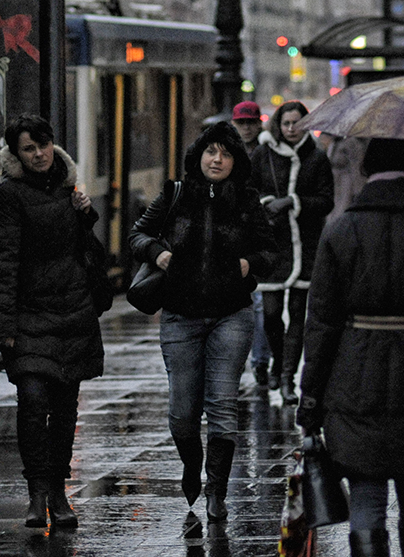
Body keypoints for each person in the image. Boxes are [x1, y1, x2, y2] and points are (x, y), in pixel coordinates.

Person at [296, 139, 404, 557]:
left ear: (369, 169)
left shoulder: (341, 230)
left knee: (366, 492)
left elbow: (321, 322)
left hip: (355, 371)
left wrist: (311, 395)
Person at [129, 121, 277, 521]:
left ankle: (216, 491)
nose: (217, 159)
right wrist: (159, 253)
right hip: (180, 316)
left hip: (232, 314)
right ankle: (192, 463)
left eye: (226, 153)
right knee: (182, 413)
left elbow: (270, 251)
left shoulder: (247, 201)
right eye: (211, 151)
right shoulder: (177, 194)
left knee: (223, 405)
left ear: (235, 161)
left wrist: (249, 264)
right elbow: (137, 236)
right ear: (199, 156)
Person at [0, 114, 105, 528]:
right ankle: (37, 491)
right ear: (15, 154)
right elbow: (2, 260)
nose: (39, 154)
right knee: (33, 402)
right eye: (28, 148)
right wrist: (3, 325)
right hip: (29, 314)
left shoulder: (71, 190)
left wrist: (85, 216)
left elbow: (89, 253)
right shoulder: (9, 195)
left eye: (43, 144)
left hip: (72, 312)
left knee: (65, 408)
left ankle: (58, 489)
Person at [251, 100, 334, 405]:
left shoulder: (317, 158)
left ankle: (288, 378)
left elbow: (326, 200)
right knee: (272, 314)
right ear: (278, 123)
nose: (290, 130)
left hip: (306, 246)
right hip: (272, 245)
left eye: (297, 124)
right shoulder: (263, 154)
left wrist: (293, 202)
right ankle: (276, 359)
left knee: (299, 314)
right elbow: (249, 192)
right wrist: (267, 202)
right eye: (286, 124)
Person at [232, 100, 271, 387]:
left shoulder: (266, 154)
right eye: (241, 122)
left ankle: (260, 361)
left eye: (250, 122)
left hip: (255, 237)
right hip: (234, 237)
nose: (246, 127)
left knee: (258, 304)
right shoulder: (225, 153)